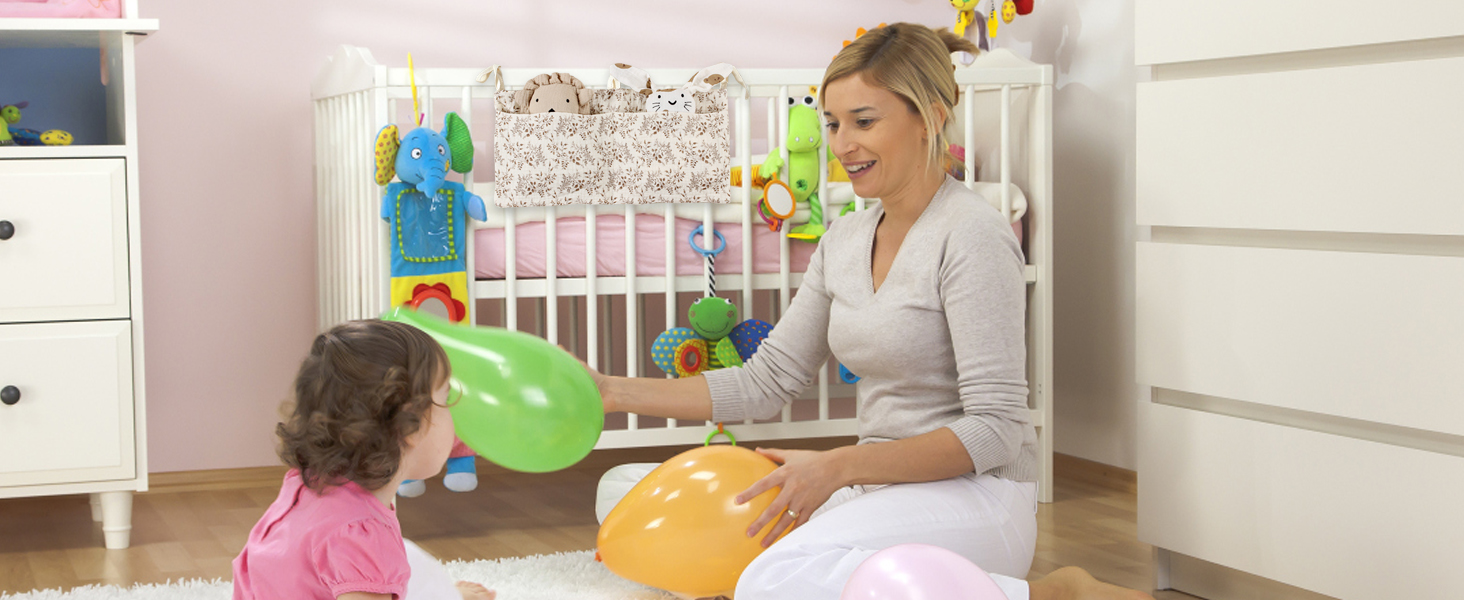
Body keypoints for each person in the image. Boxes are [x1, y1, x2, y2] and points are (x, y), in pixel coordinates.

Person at [587, 23, 1154, 600]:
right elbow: (766, 380)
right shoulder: (845, 238)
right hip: (874, 484)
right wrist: (610, 392)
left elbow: (996, 431)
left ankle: (1049, 594)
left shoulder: (971, 235)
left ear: (930, 117)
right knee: (625, 492)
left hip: (975, 496)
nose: (841, 144)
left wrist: (835, 468)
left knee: (770, 576)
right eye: (833, 124)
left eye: (864, 121)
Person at [231, 320, 494, 600]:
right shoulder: (362, 534)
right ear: (410, 427)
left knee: (406, 563)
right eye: (445, 399)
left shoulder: (308, 484)